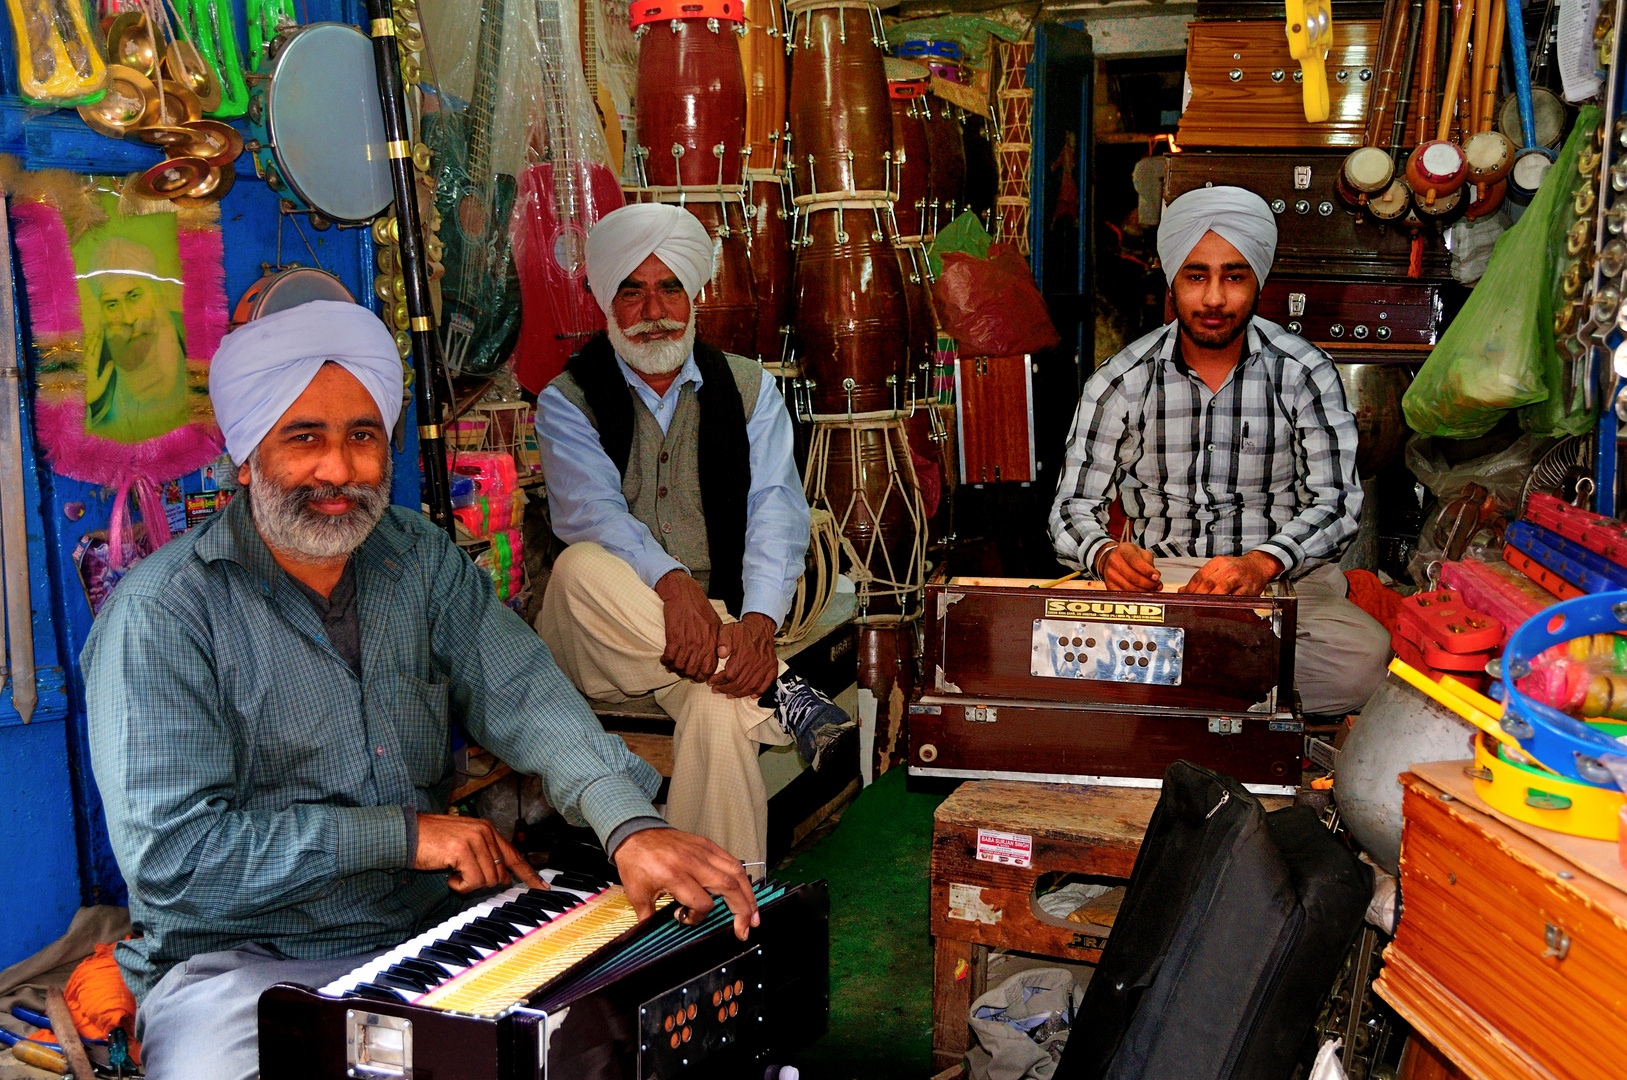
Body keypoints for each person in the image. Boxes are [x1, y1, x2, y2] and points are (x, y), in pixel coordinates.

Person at [83, 300, 761, 1080]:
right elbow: (175, 860)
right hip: (242, 965)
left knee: (610, 1036)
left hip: (427, 930)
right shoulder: (165, 614)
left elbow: (526, 696)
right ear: (245, 456)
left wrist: (629, 826)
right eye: (303, 438)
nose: (338, 471)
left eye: (361, 438)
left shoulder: (415, 557)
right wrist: (405, 836)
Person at [535, 203, 853, 870]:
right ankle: (783, 690)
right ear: (605, 303)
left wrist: (759, 618)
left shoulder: (745, 387)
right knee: (580, 567)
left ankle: (717, 917)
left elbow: (776, 508)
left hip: (701, 650)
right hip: (603, 641)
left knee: (717, 710)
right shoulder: (568, 399)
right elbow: (591, 514)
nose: (653, 308)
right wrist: (672, 581)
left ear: (694, 295)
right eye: (632, 290)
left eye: (669, 287)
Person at [1048, 186, 1390, 717]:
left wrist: (1260, 563)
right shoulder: (1120, 381)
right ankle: (1225, 690)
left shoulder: (1302, 373)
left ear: (1258, 282)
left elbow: (1338, 505)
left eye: (1233, 276)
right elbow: (1071, 509)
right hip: (1160, 588)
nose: (1213, 299)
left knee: (1364, 662)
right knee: (1047, 651)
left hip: (1282, 583)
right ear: (1172, 281)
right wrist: (1106, 555)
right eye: (1195, 276)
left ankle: (1166, 692)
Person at [80, 236, 191, 443]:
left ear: (157, 292)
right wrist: (90, 404)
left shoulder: (193, 337)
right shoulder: (96, 364)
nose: (128, 318)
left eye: (134, 296)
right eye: (112, 305)